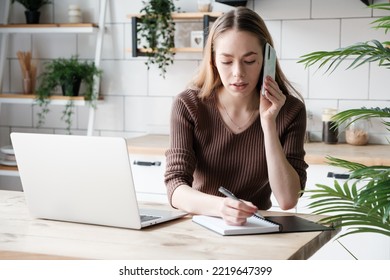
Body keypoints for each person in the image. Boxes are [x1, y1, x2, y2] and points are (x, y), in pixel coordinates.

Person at [164, 7, 308, 226]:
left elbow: (288, 199)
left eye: (249, 61)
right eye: (227, 61)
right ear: (212, 60)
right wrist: (221, 208)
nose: (238, 73)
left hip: (258, 228)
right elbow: (175, 188)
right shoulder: (188, 105)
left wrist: (268, 123)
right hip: (203, 224)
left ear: (267, 59)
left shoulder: (291, 110)